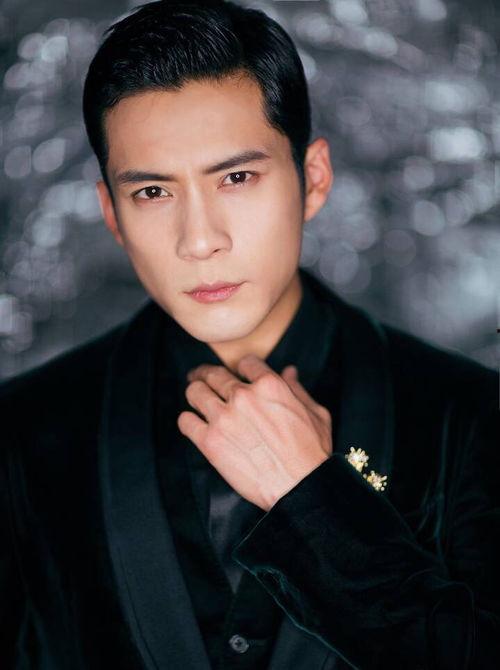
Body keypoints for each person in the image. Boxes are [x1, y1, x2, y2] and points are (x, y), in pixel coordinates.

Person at [1, 0, 498, 668]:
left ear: (312, 179)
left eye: (236, 178)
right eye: (152, 192)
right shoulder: (21, 436)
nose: (200, 240)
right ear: (112, 214)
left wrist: (316, 503)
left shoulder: (472, 418)